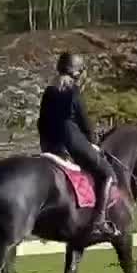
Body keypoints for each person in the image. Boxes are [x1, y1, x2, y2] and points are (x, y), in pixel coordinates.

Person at [37, 51, 117, 238]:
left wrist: (46, 144)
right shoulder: (73, 92)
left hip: (51, 144)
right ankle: (99, 221)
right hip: (73, 142)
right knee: (108, 174)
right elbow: (84, 122)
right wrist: (94, 143)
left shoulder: (49, 91)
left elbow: (41, 122)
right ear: (77, 72)